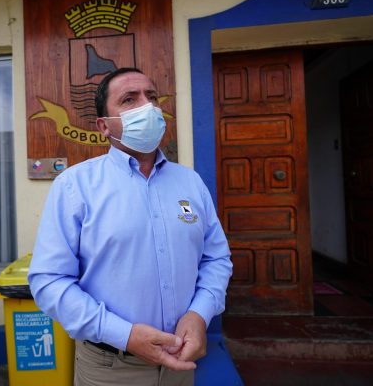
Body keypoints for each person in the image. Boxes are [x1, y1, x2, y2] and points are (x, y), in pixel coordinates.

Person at [28, 67, 233, 386]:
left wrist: (199, 314)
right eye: (129, 99)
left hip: (182, 363)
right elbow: (49, 281)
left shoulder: (190, 182)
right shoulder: (74, 186)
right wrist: (124, 335)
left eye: (152, 97)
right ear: (104, 126)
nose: (147, 106)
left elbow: (216, 259)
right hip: (110, 368)